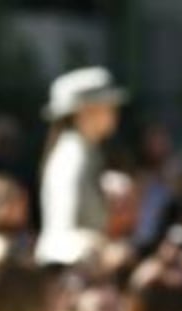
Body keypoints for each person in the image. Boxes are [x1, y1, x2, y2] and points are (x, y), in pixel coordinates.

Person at [37, 66, 127, 265]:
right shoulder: (72, 155)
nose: (114, 112)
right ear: (85, 111)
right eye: (107, 105)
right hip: (68, 268)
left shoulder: (85, 151)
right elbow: (65, 230)